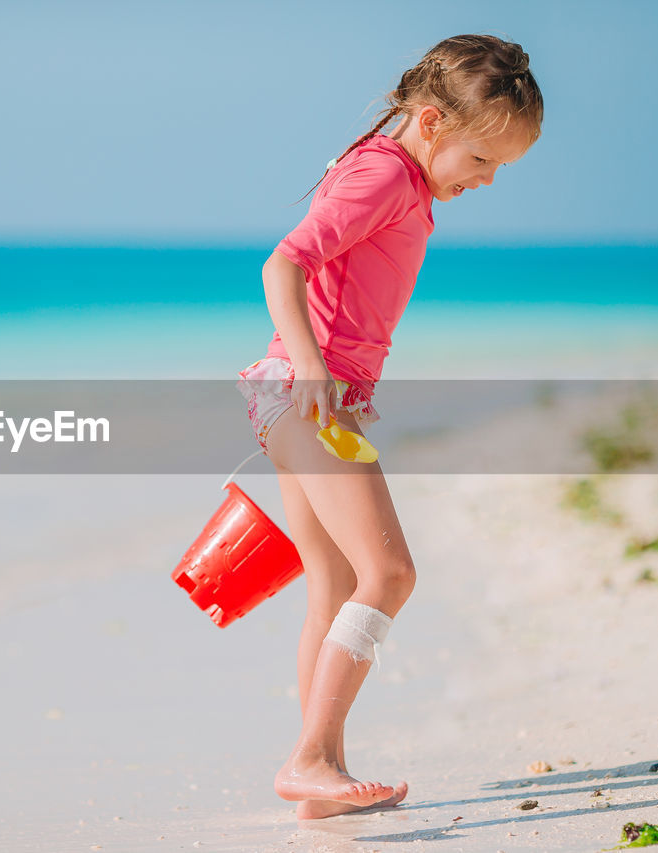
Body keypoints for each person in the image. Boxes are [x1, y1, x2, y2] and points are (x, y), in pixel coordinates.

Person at [235, 34, 543, 819]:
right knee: (390, 575)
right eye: (480, 161)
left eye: (501, 169)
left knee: (334, 584)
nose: (487, 181)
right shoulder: (383, 176)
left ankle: (322, 775)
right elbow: (284, 264)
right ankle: (309, 757)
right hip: (310, 396)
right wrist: (312, 371)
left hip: (297, 397)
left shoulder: (397, 174)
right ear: (434, 122)